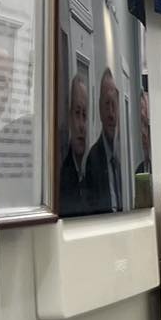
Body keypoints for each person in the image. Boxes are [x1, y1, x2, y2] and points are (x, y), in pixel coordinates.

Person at [85, 69, 123, 213]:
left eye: (114, 105)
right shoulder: (92, 159)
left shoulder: (124, 156)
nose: (111, 114)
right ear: (100, 110)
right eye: (107, 105)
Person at [58, 73, 92, 217]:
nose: (82, 125)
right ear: (69, 118)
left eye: (84, 115)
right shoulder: (63, 175)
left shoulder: (91, 170)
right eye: (77, 113)